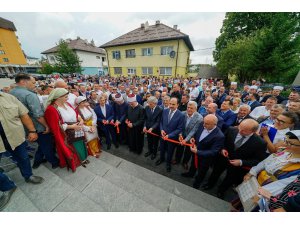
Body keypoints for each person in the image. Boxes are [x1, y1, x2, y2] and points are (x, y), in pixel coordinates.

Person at [203, 119, 267, 199]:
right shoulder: (231, 130)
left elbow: (258, 160)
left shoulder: (260, 143)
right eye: (240, 127)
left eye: (244, 130)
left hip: (237, 166)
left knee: (229, 179)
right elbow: (221, 142)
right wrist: (222, 149)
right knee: (215, 172)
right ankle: (210, 184)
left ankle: (221, 191)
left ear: (253, 131)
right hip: (223, 159)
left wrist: (241, 162)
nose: (240, 131)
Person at [10, 73, 59, 169]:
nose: (35, 85)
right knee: (47, 145)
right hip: (37, 126)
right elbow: (38, 115)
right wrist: (47, 126)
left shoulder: (11, 93)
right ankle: (54, 162)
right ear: (24, 82)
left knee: (42, 144)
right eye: (33, 82)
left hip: (23, 126)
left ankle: (38, 160)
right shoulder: (29, 95)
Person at [0, 91, 44, 198]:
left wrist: (32, 130)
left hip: (15, 137)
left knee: (23, 158)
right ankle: (7, 186)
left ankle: (28, 176)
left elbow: (24, 114)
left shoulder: (8, 97)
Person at [44, 88, 89, 172]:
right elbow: (56, 126)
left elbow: (76, 113)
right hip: (66, 133)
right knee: (73, 147)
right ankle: (77, 161)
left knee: (80, 143)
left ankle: (83, 159)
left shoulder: (67, 104)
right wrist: (72, 127)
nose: (67, 98)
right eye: (65, 97)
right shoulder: (51, 109)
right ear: (58, 98)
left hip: (77, 128)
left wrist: (81, 120)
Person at [181, 115, 225, 189]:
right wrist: (193, 138)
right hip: (195, 151)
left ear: (214, 124)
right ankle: (191, 173)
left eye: (207, 124)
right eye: (204, 122)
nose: (204, 125)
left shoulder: (219, 136)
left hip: (205, 158)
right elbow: (196, 133)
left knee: (202, 170)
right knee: (193, 163)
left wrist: (197, 152)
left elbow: (214, 151)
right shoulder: (203, 124)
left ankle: (198, 182)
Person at [156, 97, 185, 172]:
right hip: (163, 135)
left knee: (170, 151)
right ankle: (161, 159)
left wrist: (169, 136)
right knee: (162, 148)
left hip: (172, 138)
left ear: (178, 105)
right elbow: (161, 122)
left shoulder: (181, 115)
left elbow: (179, 129)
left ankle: (168, 163)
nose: (171, 106)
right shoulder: (165, 111)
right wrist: (161, 129)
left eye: (173, 104)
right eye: (170, 104)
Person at [174, 101, 203, 168]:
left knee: (188, 151)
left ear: (195, 109)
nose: (189, 109)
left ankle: (185, 162)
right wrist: (180, 135)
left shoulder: (199, 118)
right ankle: (177, 159)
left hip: (191, 137)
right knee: (179, 147)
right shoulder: (182, 113)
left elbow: (194, 130)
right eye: (188, 107)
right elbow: (179, 126)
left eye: (191, 108)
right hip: (181, 134)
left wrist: (186, 140)